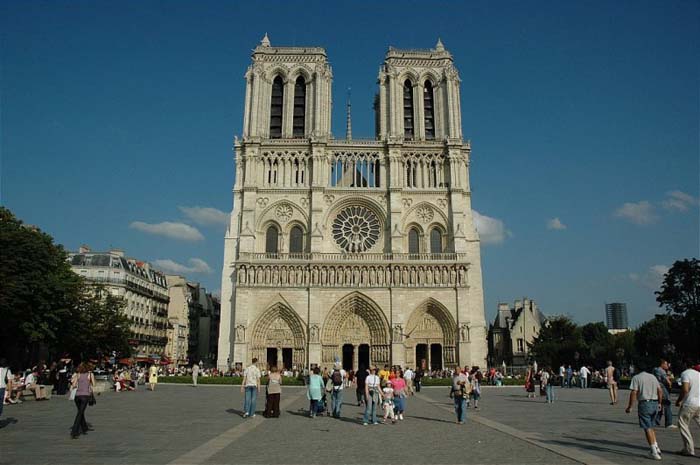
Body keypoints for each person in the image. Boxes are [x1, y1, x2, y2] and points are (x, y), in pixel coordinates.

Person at [625, 363, 664, 460]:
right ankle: (656, 446)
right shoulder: (653, 377)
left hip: (644, 403)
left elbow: (634, 392)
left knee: (647, 427)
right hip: (655, 403)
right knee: (651, 426)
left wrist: (630, 406)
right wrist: (659, 403)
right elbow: (660, 390)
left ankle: (654, 452)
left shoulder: (636, 378)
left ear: (638, 369)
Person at [675, 361, 700, 457]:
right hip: (699, 403)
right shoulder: (699, 374)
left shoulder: (686, 373)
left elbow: (685, 389)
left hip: (689, 403)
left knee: (683, 424)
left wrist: (679, 400)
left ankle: (689, 449)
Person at [70, 363, 95, 439]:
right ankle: (74, 431)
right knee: (80, 413)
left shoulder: (78, 374)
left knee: (80, 412)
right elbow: (93, 384)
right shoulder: (90, 374)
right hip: (85, 396)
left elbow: (74, 385)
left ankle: (84, 428)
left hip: (77, 396)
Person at [653, 359, 675, 429]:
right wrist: (670, 384)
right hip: (662, 388)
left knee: (661, 404)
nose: (667, 365)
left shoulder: (656, 370)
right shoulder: (661, 370)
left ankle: (656, 421)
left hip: (658, 387)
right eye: (666, 364)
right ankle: (669, 423)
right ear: (662, 364)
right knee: (667, 403)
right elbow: (667, 381)